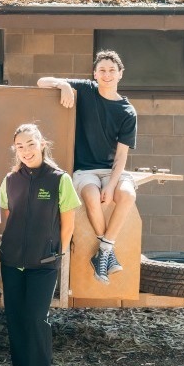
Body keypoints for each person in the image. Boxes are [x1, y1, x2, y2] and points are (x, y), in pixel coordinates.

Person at [36, 50, 137, 284]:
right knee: (91, 196)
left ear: (120, 74)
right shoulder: (85, 89)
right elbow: (41, 82)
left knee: (128, 194)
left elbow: (122, 156)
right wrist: (63, 85)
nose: (107, 74)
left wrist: (112, 185)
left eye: (112, 70)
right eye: (102, 70)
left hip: (111, 171)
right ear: (95, 73)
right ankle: (107, 252)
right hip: (84, 171)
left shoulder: (127, 111)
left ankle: (104, 250)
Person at [0, 124, 81, 366]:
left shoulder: (59, 179)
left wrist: (55, 252)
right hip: (12, 263)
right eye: (20, 146)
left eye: (30, 144)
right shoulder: (11, 179)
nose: (26, 151)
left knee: (35, 321)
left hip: (43, 264)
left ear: (42, 144)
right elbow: (9, 215)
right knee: (16, 321)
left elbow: (67, 223)